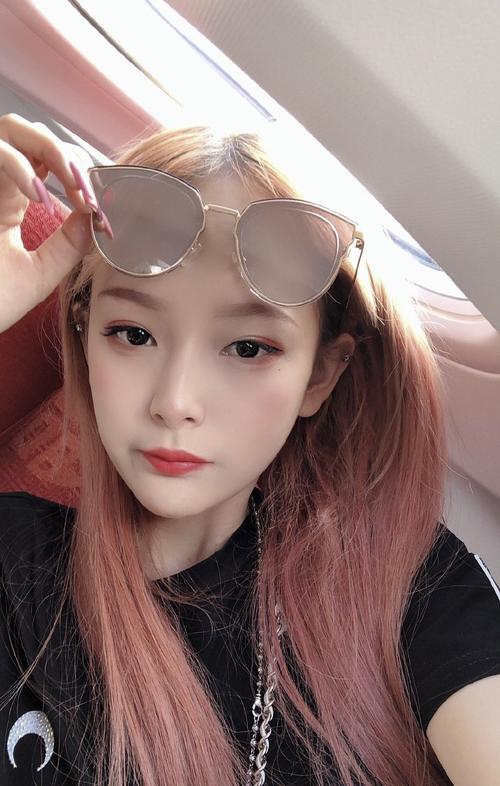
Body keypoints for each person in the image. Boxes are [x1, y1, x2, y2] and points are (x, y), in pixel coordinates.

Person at [0, 112, 499, 786]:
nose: (176, 401)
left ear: (319, 376)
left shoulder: (395, 579)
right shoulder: (14, 561)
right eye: (133, 334)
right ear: (85, 336)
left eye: (247, 348)